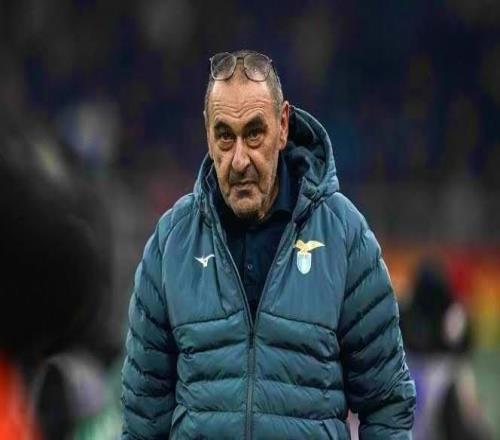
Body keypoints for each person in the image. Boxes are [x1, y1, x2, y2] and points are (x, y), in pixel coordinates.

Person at [121, 50, 416, 439]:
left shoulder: (345, 237)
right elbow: (142, 420)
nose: (239, 159)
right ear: (207, 133)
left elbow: (387, 405)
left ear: (282, 125)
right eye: (225, 136)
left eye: (253, 134)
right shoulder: (170, 243)